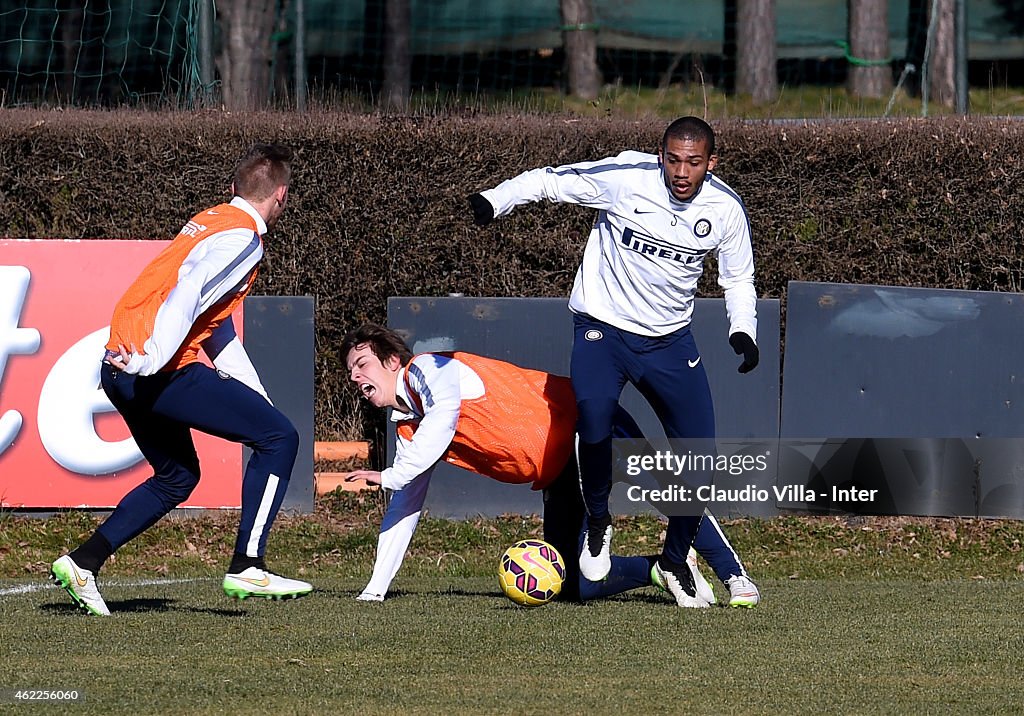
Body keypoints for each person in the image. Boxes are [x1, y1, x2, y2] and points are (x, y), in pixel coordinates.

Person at [468, 116, 759, 607]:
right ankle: (600, 521)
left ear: (711, 163)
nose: (681, 172)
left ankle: (672, 562)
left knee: (701, 464)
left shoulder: (726, 210)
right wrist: (496, 200)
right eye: (672, 159)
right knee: (596, 418)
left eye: (692, 162)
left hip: (669, 343)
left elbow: (738, 279)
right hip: (602, 329)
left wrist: (743, 331)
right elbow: (551, 180)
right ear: (660, 155)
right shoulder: (626, 179)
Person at [50, 143, 312, 616]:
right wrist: (153, 359)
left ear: (233, 189)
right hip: (155, 368)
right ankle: (248, 564)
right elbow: (189, 293)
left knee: (177, 477)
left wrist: (254, 393)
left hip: (120, 366)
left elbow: (214, 325)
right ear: (281, 196)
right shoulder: (244, 239)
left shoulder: (210, 220)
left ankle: (83, 562)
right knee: (281, 438)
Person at [340, 323, 759, 607]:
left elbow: (444, 415)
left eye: (362, 365)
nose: (356, 378)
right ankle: (660, 568)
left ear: (392, 361)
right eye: (350, 373)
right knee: (575, 585)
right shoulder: (409, 428)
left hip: (587, 424)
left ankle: (733, 575)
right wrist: (375, 590)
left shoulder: (429, 369)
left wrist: (390, 475)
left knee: (665, 492)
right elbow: (404, 506)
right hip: (559, 475)